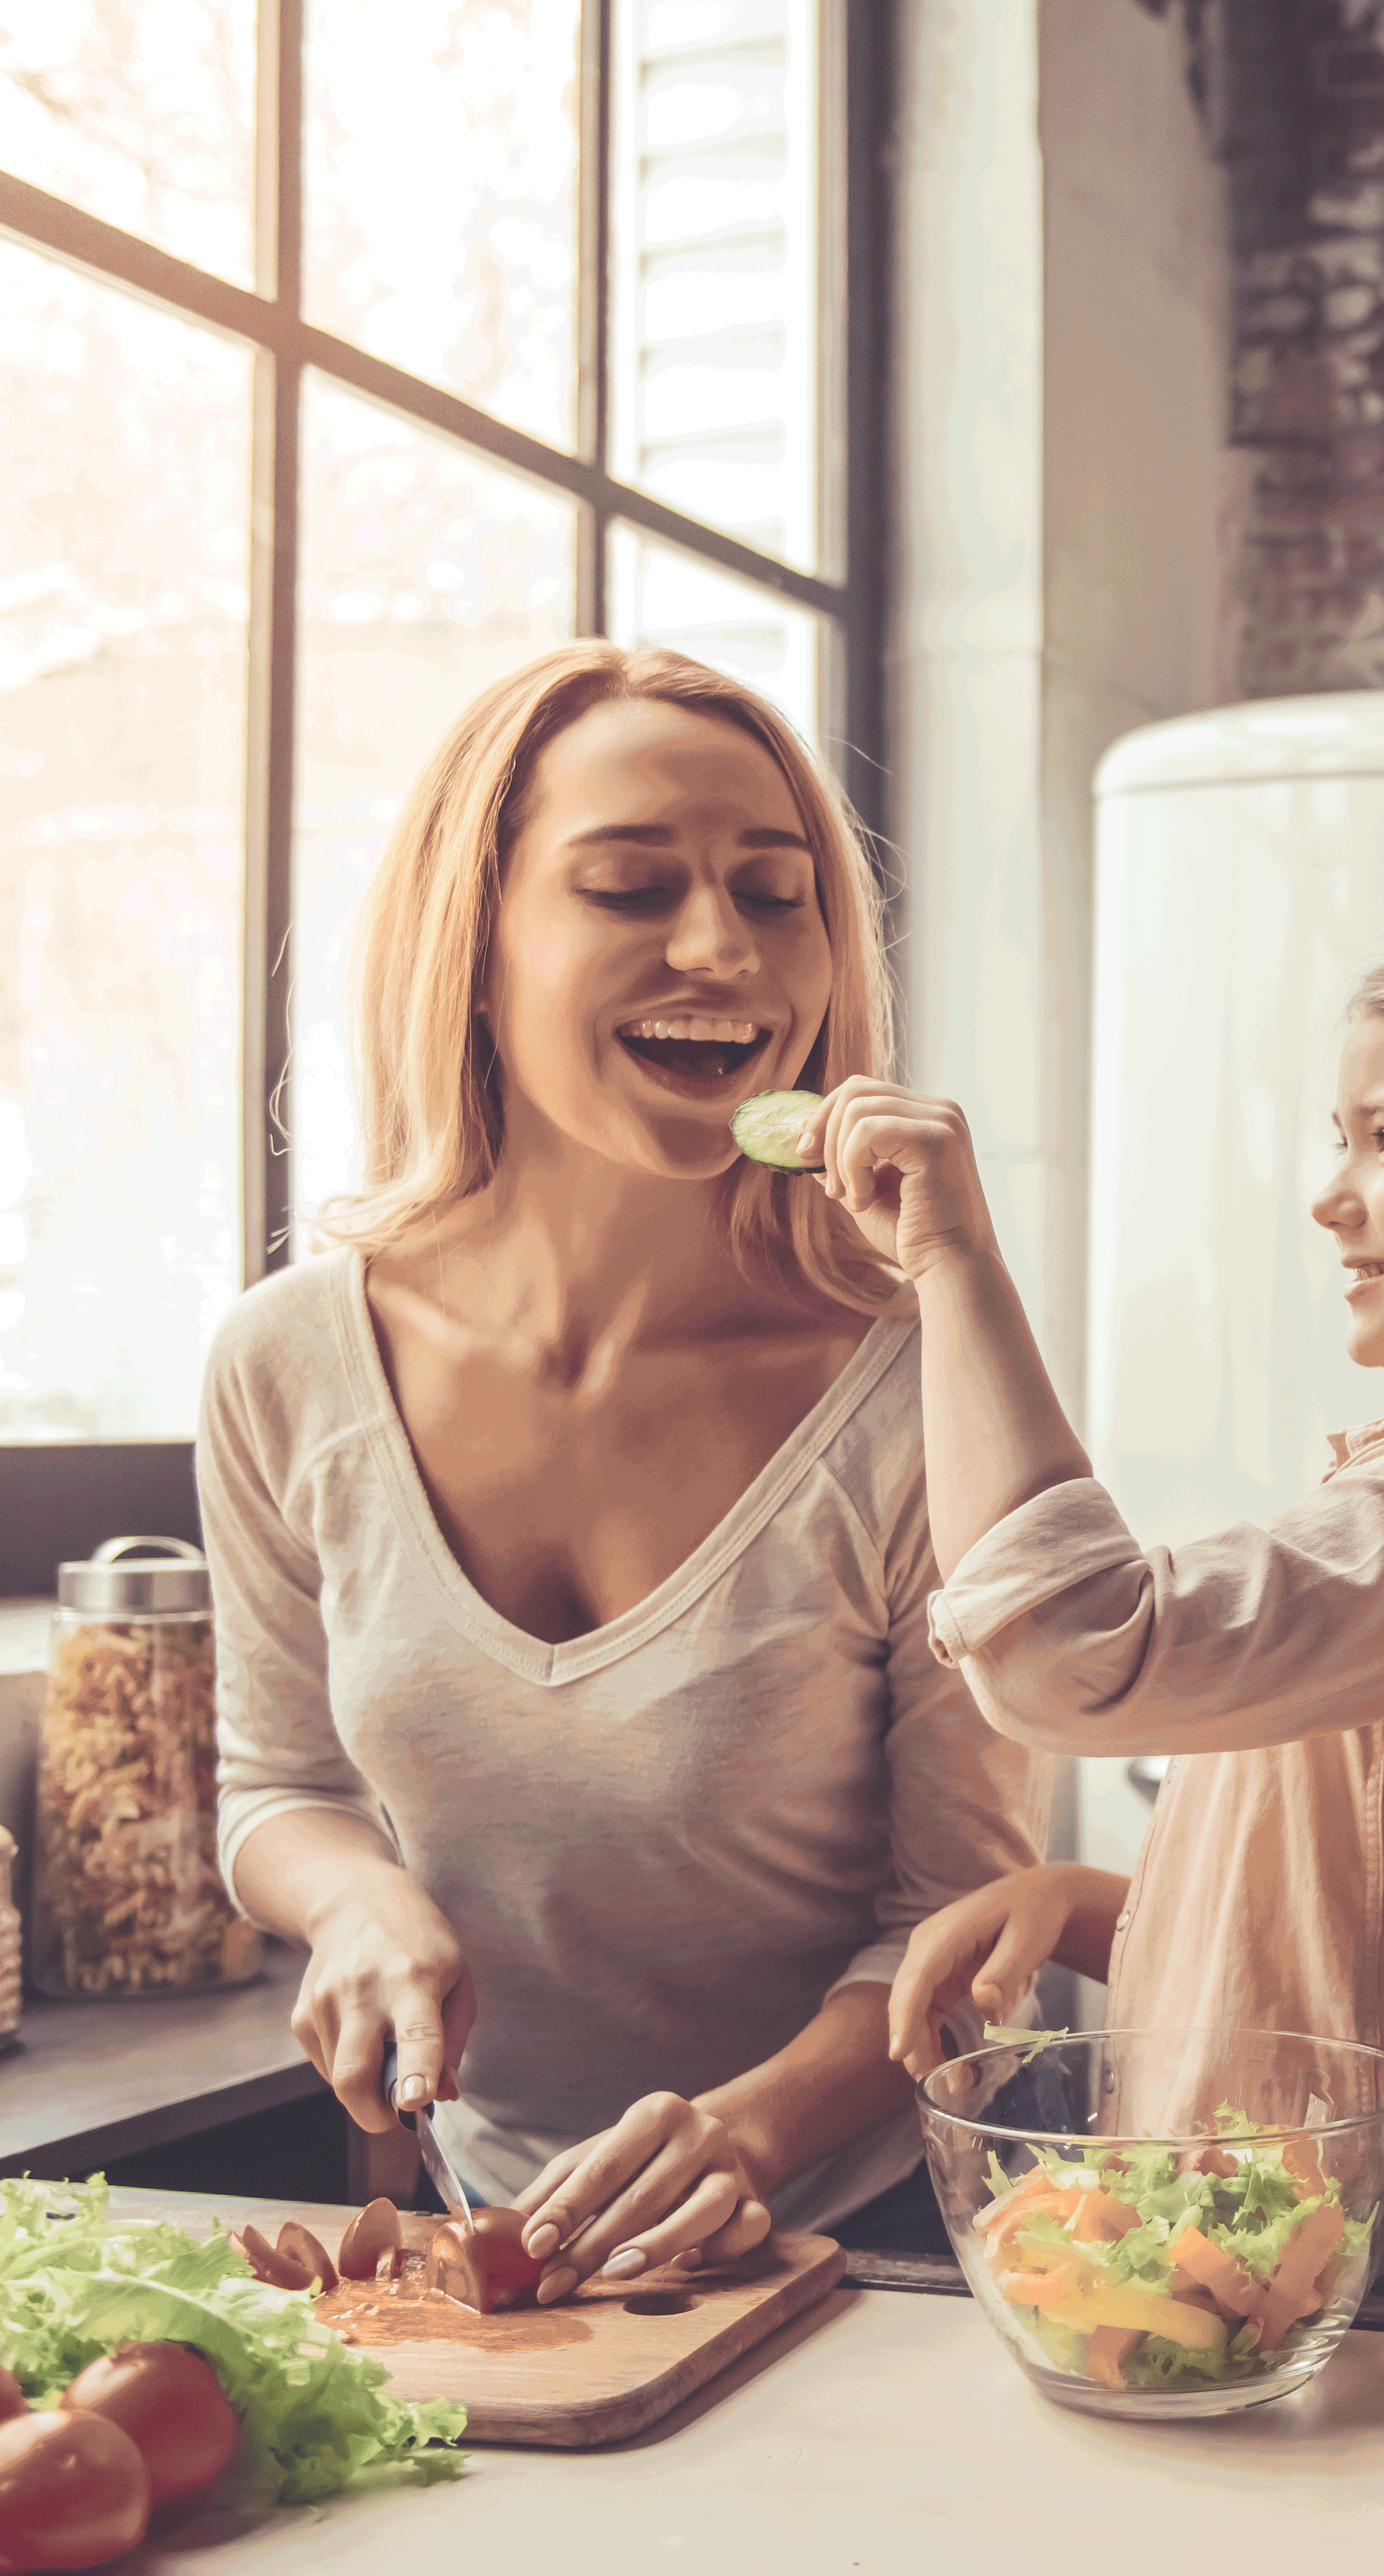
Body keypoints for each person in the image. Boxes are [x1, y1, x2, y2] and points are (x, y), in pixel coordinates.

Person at [209, 643, 1041, 2297]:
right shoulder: (285, 1362)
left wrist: (745, 2136)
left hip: (884, 2246)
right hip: (497, 2236)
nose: (724, 952)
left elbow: (969, 1925)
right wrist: (359, 1902)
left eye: (778, 892)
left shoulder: (909, 1386)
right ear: (475, 945)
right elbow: (275, 1786)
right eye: (630, 886)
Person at [830, 906, 1384, 2311]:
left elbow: (1073, 1652)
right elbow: (1356, 1928)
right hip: (1341, 2263)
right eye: (1341, 1137)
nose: (1333, 1195)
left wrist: (951, 1259)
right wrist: (1092, 1912)